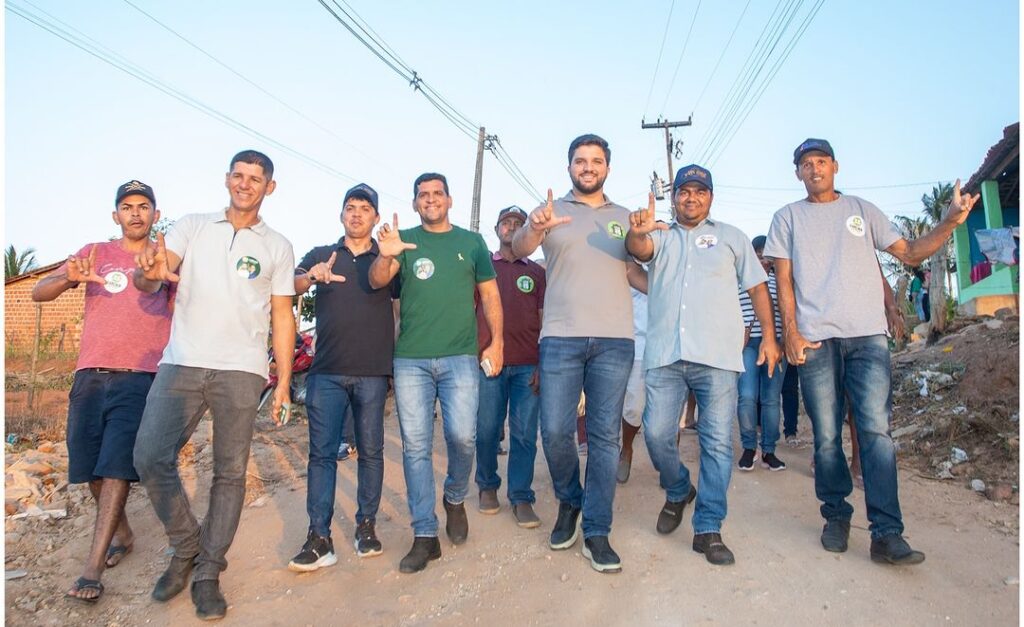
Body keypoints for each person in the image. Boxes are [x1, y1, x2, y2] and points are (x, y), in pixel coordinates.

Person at [765, 138, 978, 565]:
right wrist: (789, 332)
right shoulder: (786, 218)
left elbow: (912, 252)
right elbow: (783, 282)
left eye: (821, 161)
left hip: (867, 338)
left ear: (836, 166)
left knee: (876, 433)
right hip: (817, 340)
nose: (814, 169)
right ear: (797, 173)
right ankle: (836, 516)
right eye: (805, 164)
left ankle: (886, 533)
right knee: (826, 437)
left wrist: (950, 222)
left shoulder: (862, 211)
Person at [133, 150, 296, 619]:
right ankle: (186, 545)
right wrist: (150, 272)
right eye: (239, 176)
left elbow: (283, 316)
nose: (246, 184)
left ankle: (208, 572)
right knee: (149, 455)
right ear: (227, 179)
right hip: (182, 362)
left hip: (242, 370)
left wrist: (283, 382)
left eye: (256, 178)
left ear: (270, 187)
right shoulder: (192, 226)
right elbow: (155, 276)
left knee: (229, 473)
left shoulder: (278, 246)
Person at [627, 164, 780, 566]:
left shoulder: (732, 237)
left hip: (717, 357)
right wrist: (638, 232)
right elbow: (638, 250)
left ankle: (708, 527)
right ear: (673, 197)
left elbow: (756, 286)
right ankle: (678, 489)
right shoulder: (659, 236)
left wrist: (769, 336)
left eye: (700, 191)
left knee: (715, 442)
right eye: (683, 191)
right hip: (665, 355)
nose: (691, 198)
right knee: (658, 435)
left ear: (710, 197)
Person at [512, 134, 646, 574]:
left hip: (613, 340)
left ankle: (597, 529)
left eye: (597, 161)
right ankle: (569, 501)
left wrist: (643, 240)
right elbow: (521, 249)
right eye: (580, 161)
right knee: (554, 430)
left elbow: (636, 263)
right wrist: (534, 226)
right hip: (562, 338)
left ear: (608, 167)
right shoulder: (551, 213)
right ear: (569, 166)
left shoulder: (624, 217)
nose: (588, 167)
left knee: (605, 437)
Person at [33, 180, 172, 603]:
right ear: (116, 215)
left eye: (143, 206)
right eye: (127, 207)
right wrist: (66, 280)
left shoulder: (166, 259)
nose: (135, 213)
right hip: (89, 374)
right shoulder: (93, 253)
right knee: (88, 467)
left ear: (154, 214)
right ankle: (124, 532)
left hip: (140, 375)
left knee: (115, 467)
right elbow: (40, 292)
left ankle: (92, 568)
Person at [368, 172, 503, 574]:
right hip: (410, 359)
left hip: (461, 357)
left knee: (463, 436)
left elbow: (490, 294)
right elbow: (377, 280)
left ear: (449, 199)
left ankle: (456, 495)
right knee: (415, 447)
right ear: (414, 203)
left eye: (437, 193)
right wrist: (388, 254)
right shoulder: (404, 241)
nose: (430, 199)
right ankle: (425, 534)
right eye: (423, 195)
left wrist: (496, 342)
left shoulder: (471, 242)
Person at [288, 183, 397, 572]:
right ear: (341, 215)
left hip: (371, 372)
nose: (356, 213)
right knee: (321, 455)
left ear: (375, 217)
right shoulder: (322, 254)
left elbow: (395, 299)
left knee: (371, 452)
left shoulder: (384, 258)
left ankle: (366, 526)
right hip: (326, 373)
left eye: (365, 208)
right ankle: (319, 537)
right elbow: (293, 282)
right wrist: (312, 277)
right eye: (350, 207)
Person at [474, 205, 546, 527]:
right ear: (497, 228)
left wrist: (543, 362)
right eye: (507, 222)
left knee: (525, 435)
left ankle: (521, 497)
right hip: (490, 363)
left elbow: (545, 319)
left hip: (527, 364)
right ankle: (487, 485)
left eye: (519, 223)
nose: (513, 226)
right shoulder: (483, 267)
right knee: (488, 429)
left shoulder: (537, 273)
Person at [736, 235, 788, 472]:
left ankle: (769, 450)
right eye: (759, 256)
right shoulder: (739, 280)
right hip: (747, 345)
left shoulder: (781, 281)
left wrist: (785, 342)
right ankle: (749, 447)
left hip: (775, 344)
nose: (764, 262)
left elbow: (788, 312)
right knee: (746, 396)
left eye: (767, 258)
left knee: (770, 399)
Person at [617, 288, 648, 484]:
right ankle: (626, 448)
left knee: (670, 412)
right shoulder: (624, 264)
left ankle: (671, 462)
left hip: (667, 345)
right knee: (634, 407)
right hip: (632, 344)